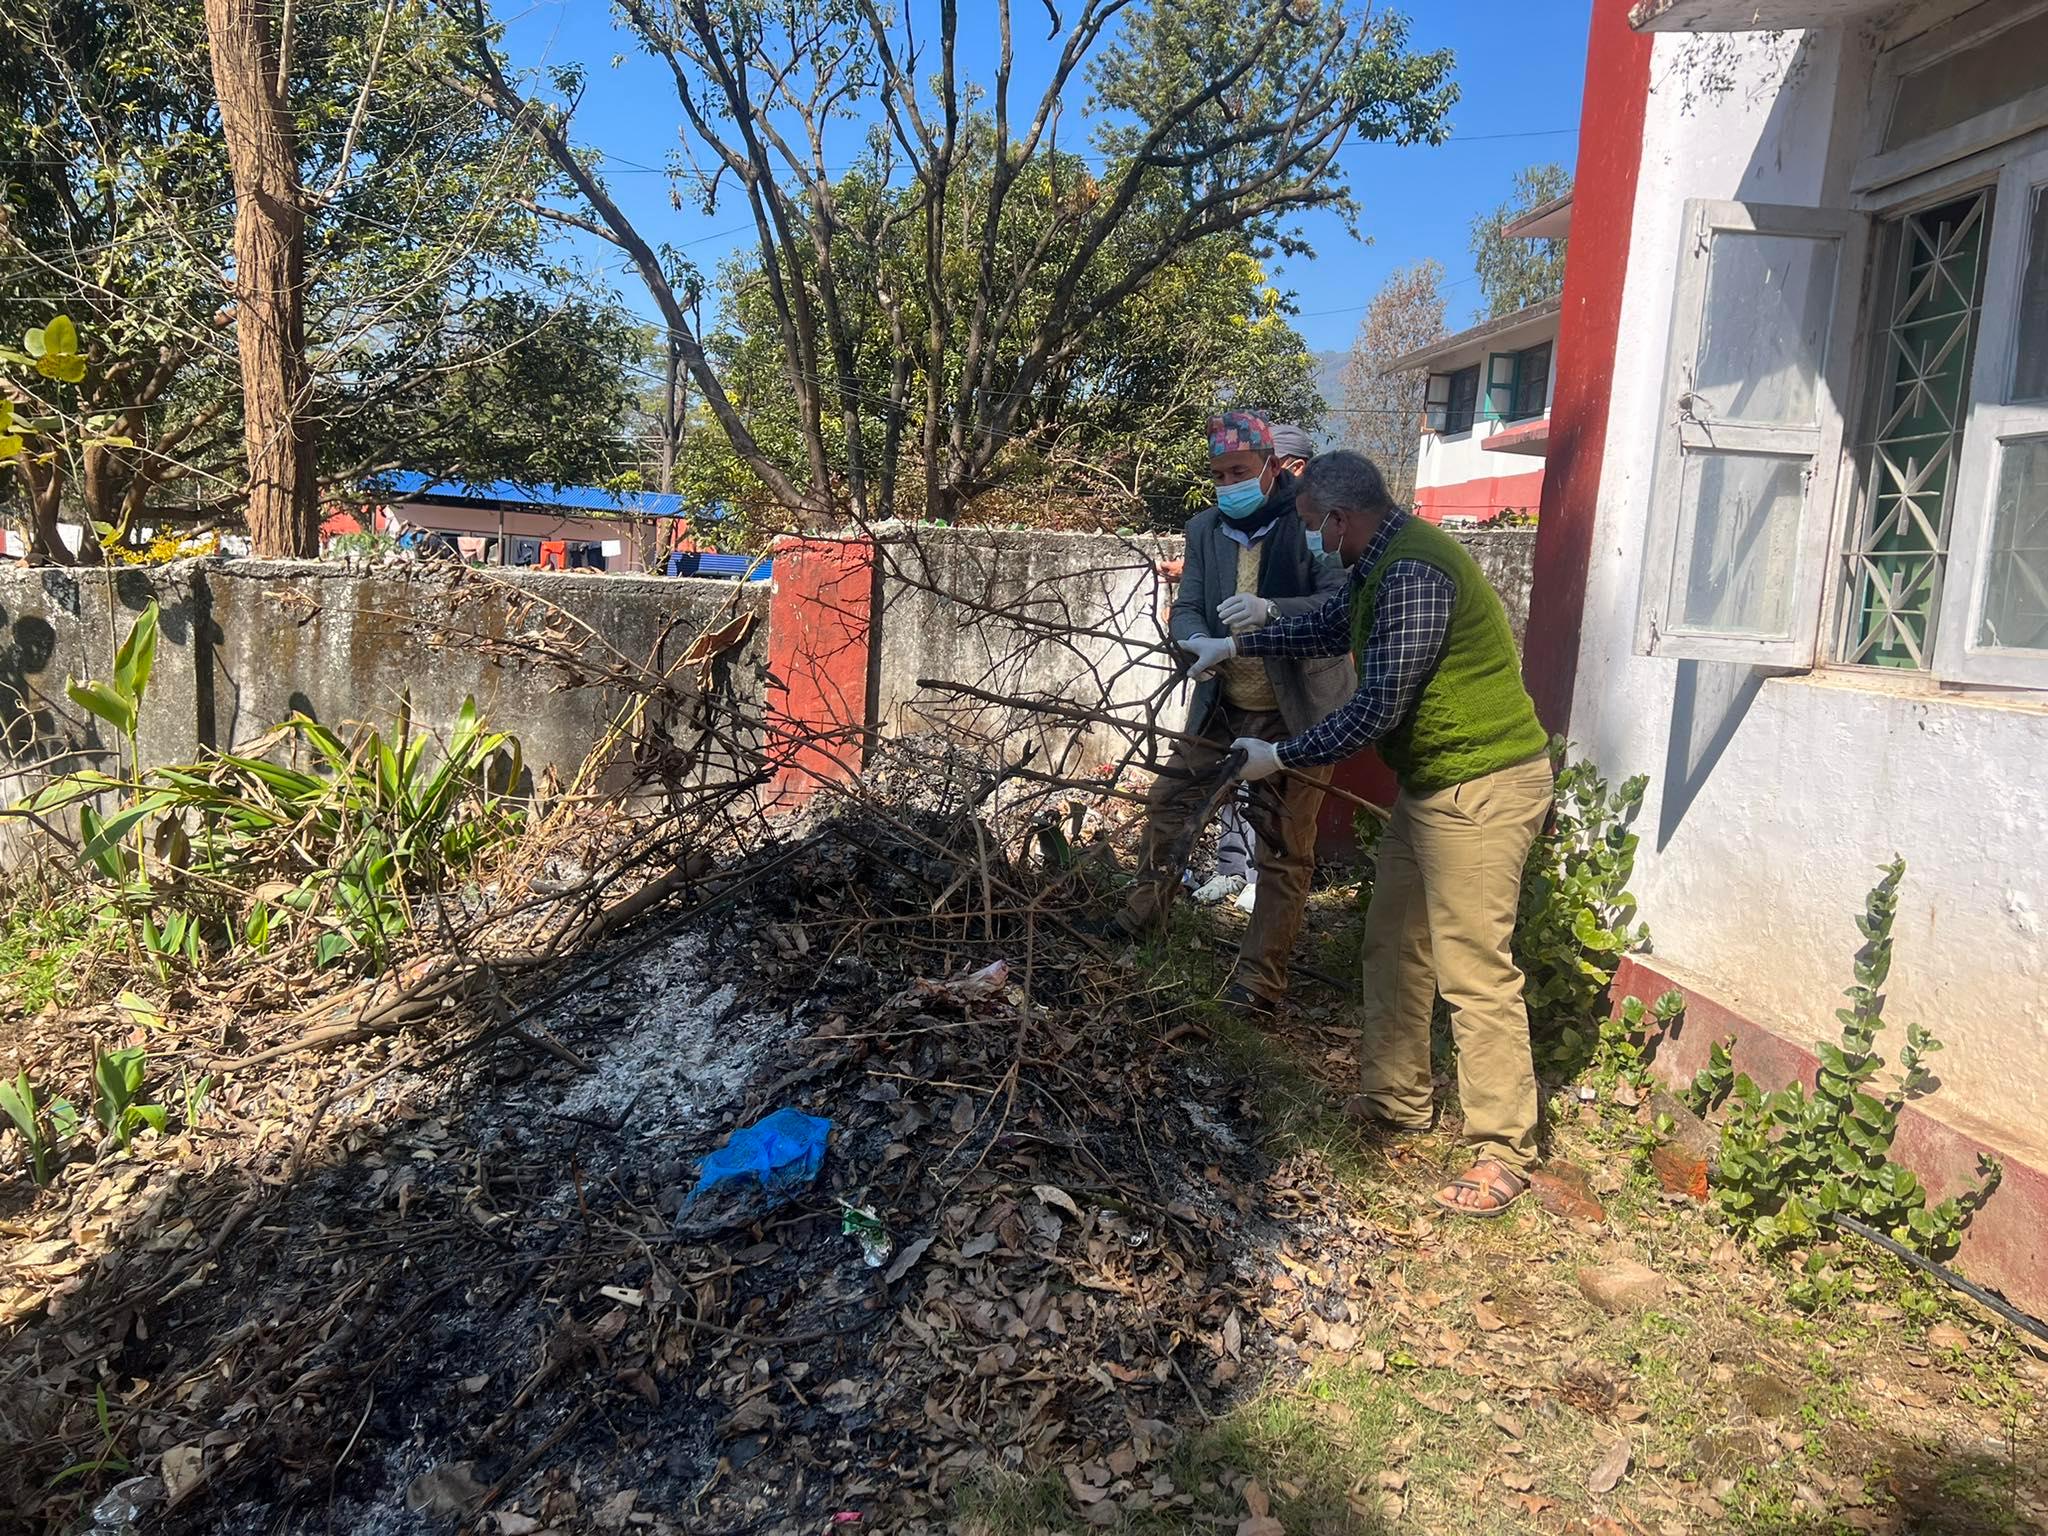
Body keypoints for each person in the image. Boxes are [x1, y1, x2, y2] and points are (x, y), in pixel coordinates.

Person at [1181, 449, 1554, 1219]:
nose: (1312, 537)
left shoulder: (1417, 574)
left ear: (1341, 519)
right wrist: (1240, 644)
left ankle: (1503, 1148)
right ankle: (1395, 1098)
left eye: (1315, 525)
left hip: (1484, 784)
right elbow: (1325, 621)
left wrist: (1279, 754)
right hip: (1435, 784)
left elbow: (1374, 707)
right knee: (1393, 942)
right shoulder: (1377, 561)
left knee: (1473, 963)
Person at [1105, 409, 1354, 1010]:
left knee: (1284, 846)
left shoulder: (1313, 520)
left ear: (1272, 466)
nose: (1227, 484)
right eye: (1218, 474)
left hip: (1297, 712)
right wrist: (1192, 639)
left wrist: (1268, 613)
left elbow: (1336, 607)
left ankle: (1259, 980)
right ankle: (1142, 920)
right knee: (1170, 805)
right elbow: (1188, 604)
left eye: (1239, 470)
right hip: (1223, 704)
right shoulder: (1206, 529)